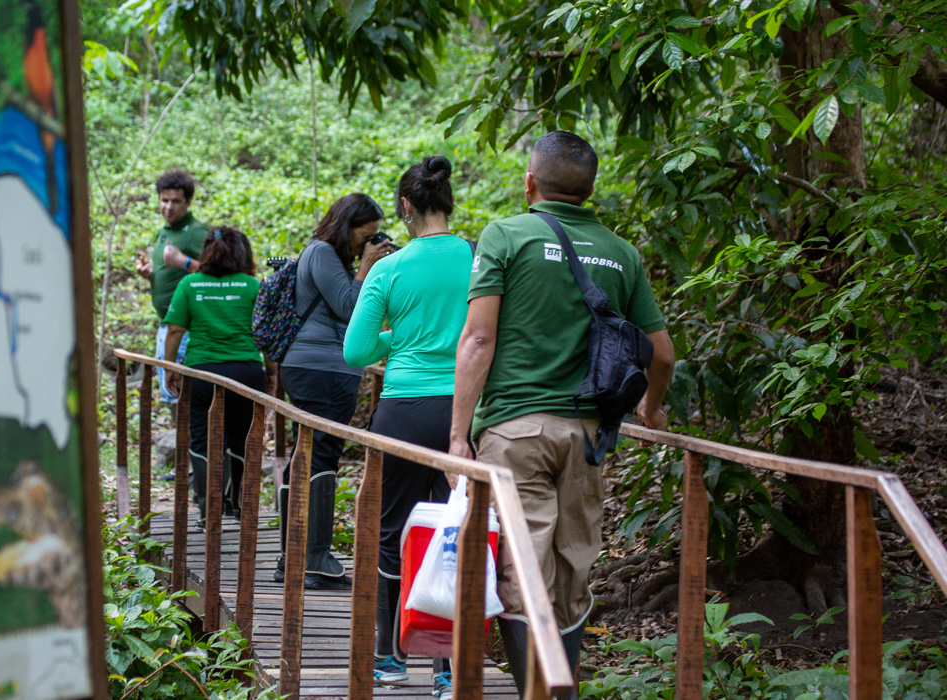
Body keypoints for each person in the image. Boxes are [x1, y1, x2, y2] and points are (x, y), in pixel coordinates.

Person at [448, 132, 675, 696]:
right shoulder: (621, 252)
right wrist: (652, 407)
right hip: (588, 436)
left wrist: (457, 435)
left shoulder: (506, 235)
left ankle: (538, 692)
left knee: (524, 571)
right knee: (573, 570)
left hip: (514, 432)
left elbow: (478, 339)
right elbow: (662, 352)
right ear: (591, 190)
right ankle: (561, 687)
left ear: (531, 183)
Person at [343, 156, 468, 699]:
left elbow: (356, 351)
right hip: (464, 412)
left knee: (394, 531)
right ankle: (447, 671)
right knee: (456, 533)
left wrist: (401, 340)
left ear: (405, 207)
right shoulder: (477, 255)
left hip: (403, 410)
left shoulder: (388, 270)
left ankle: (391, 657)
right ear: (448, 204)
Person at [274, 193, 391, 590]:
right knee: (321, 453)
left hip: (316, 367)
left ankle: (294, 555)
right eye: (365, 234)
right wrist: (367, 267)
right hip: (320, 367)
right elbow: (348, 306)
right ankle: (313, 557)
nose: (368, 242)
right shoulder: (322, 251)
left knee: (306, 452)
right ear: (347, 225)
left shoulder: (326, 255)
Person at [162, 227, 268, 527]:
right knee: (242, 439)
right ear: (242, 253)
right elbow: (264, 333)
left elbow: (174, 331)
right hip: (246, 372)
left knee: (203, 439)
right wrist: (271, 372)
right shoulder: (251, 286)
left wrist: (171, 368)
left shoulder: (190, 284)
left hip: (202, 372)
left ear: (206, 251)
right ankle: (238, 506)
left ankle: (210, 511)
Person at [136, 169, 208, 407]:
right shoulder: (162, 232)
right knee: (171, 395)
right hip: (165, 324)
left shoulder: (198, 232)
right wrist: (149, 274)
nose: (168, 207)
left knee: (182, 397)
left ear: (188, 202)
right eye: (164, 200)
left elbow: (219, 275)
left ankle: (188, 444)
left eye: (176, 201)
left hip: (187, 328)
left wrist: (185, 262)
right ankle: (182, 442)